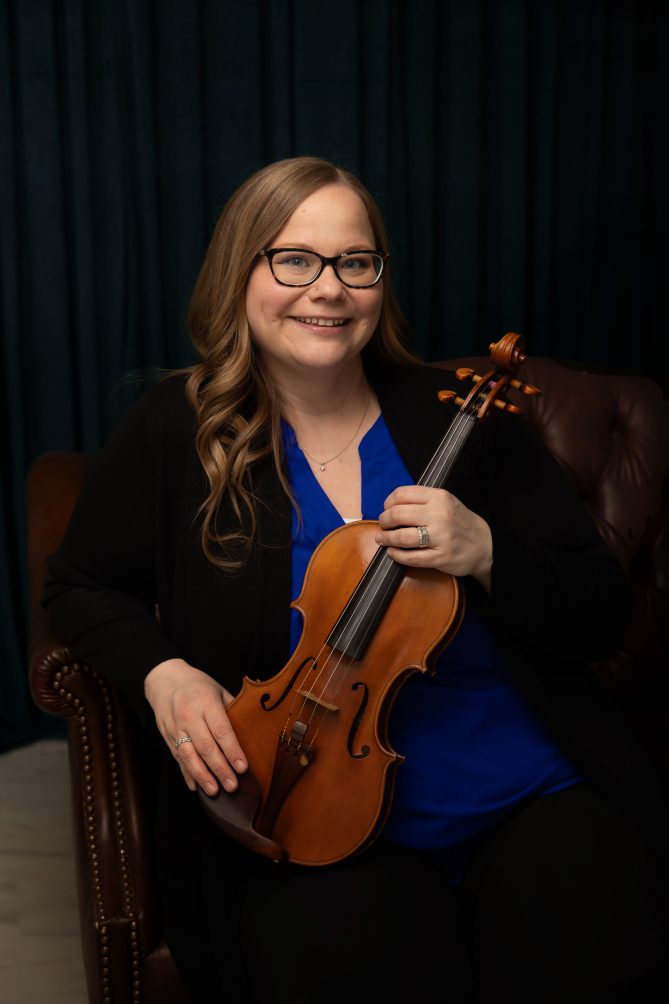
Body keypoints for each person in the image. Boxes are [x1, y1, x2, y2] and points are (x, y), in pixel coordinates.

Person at [44, 157, 668, 1003]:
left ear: (379, 279)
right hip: (309, 811)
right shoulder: (175, 430)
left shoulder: (460, 413)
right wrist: (166, 674)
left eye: (355, 262)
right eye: (292, 259)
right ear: (242, 273)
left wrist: (487, 551)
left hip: (524, 789)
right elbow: (80, 586)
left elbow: (598, 615)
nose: (327, 289)